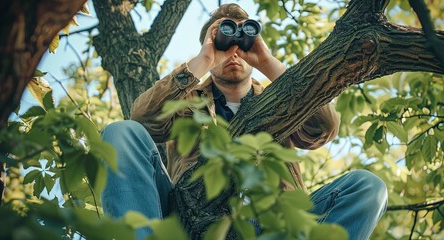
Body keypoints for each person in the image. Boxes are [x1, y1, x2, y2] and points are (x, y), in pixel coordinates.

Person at [101, 3, 387, 240]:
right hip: (189, 220)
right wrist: (205, 59)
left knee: (367, 187)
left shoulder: (282, 100)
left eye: (242, 41)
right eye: (226, 39)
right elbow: (141, 119)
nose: (234, 51)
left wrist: (266, 61)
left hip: (273, 224)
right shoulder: (185, 102)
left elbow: (324, 127)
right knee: (120, 133)